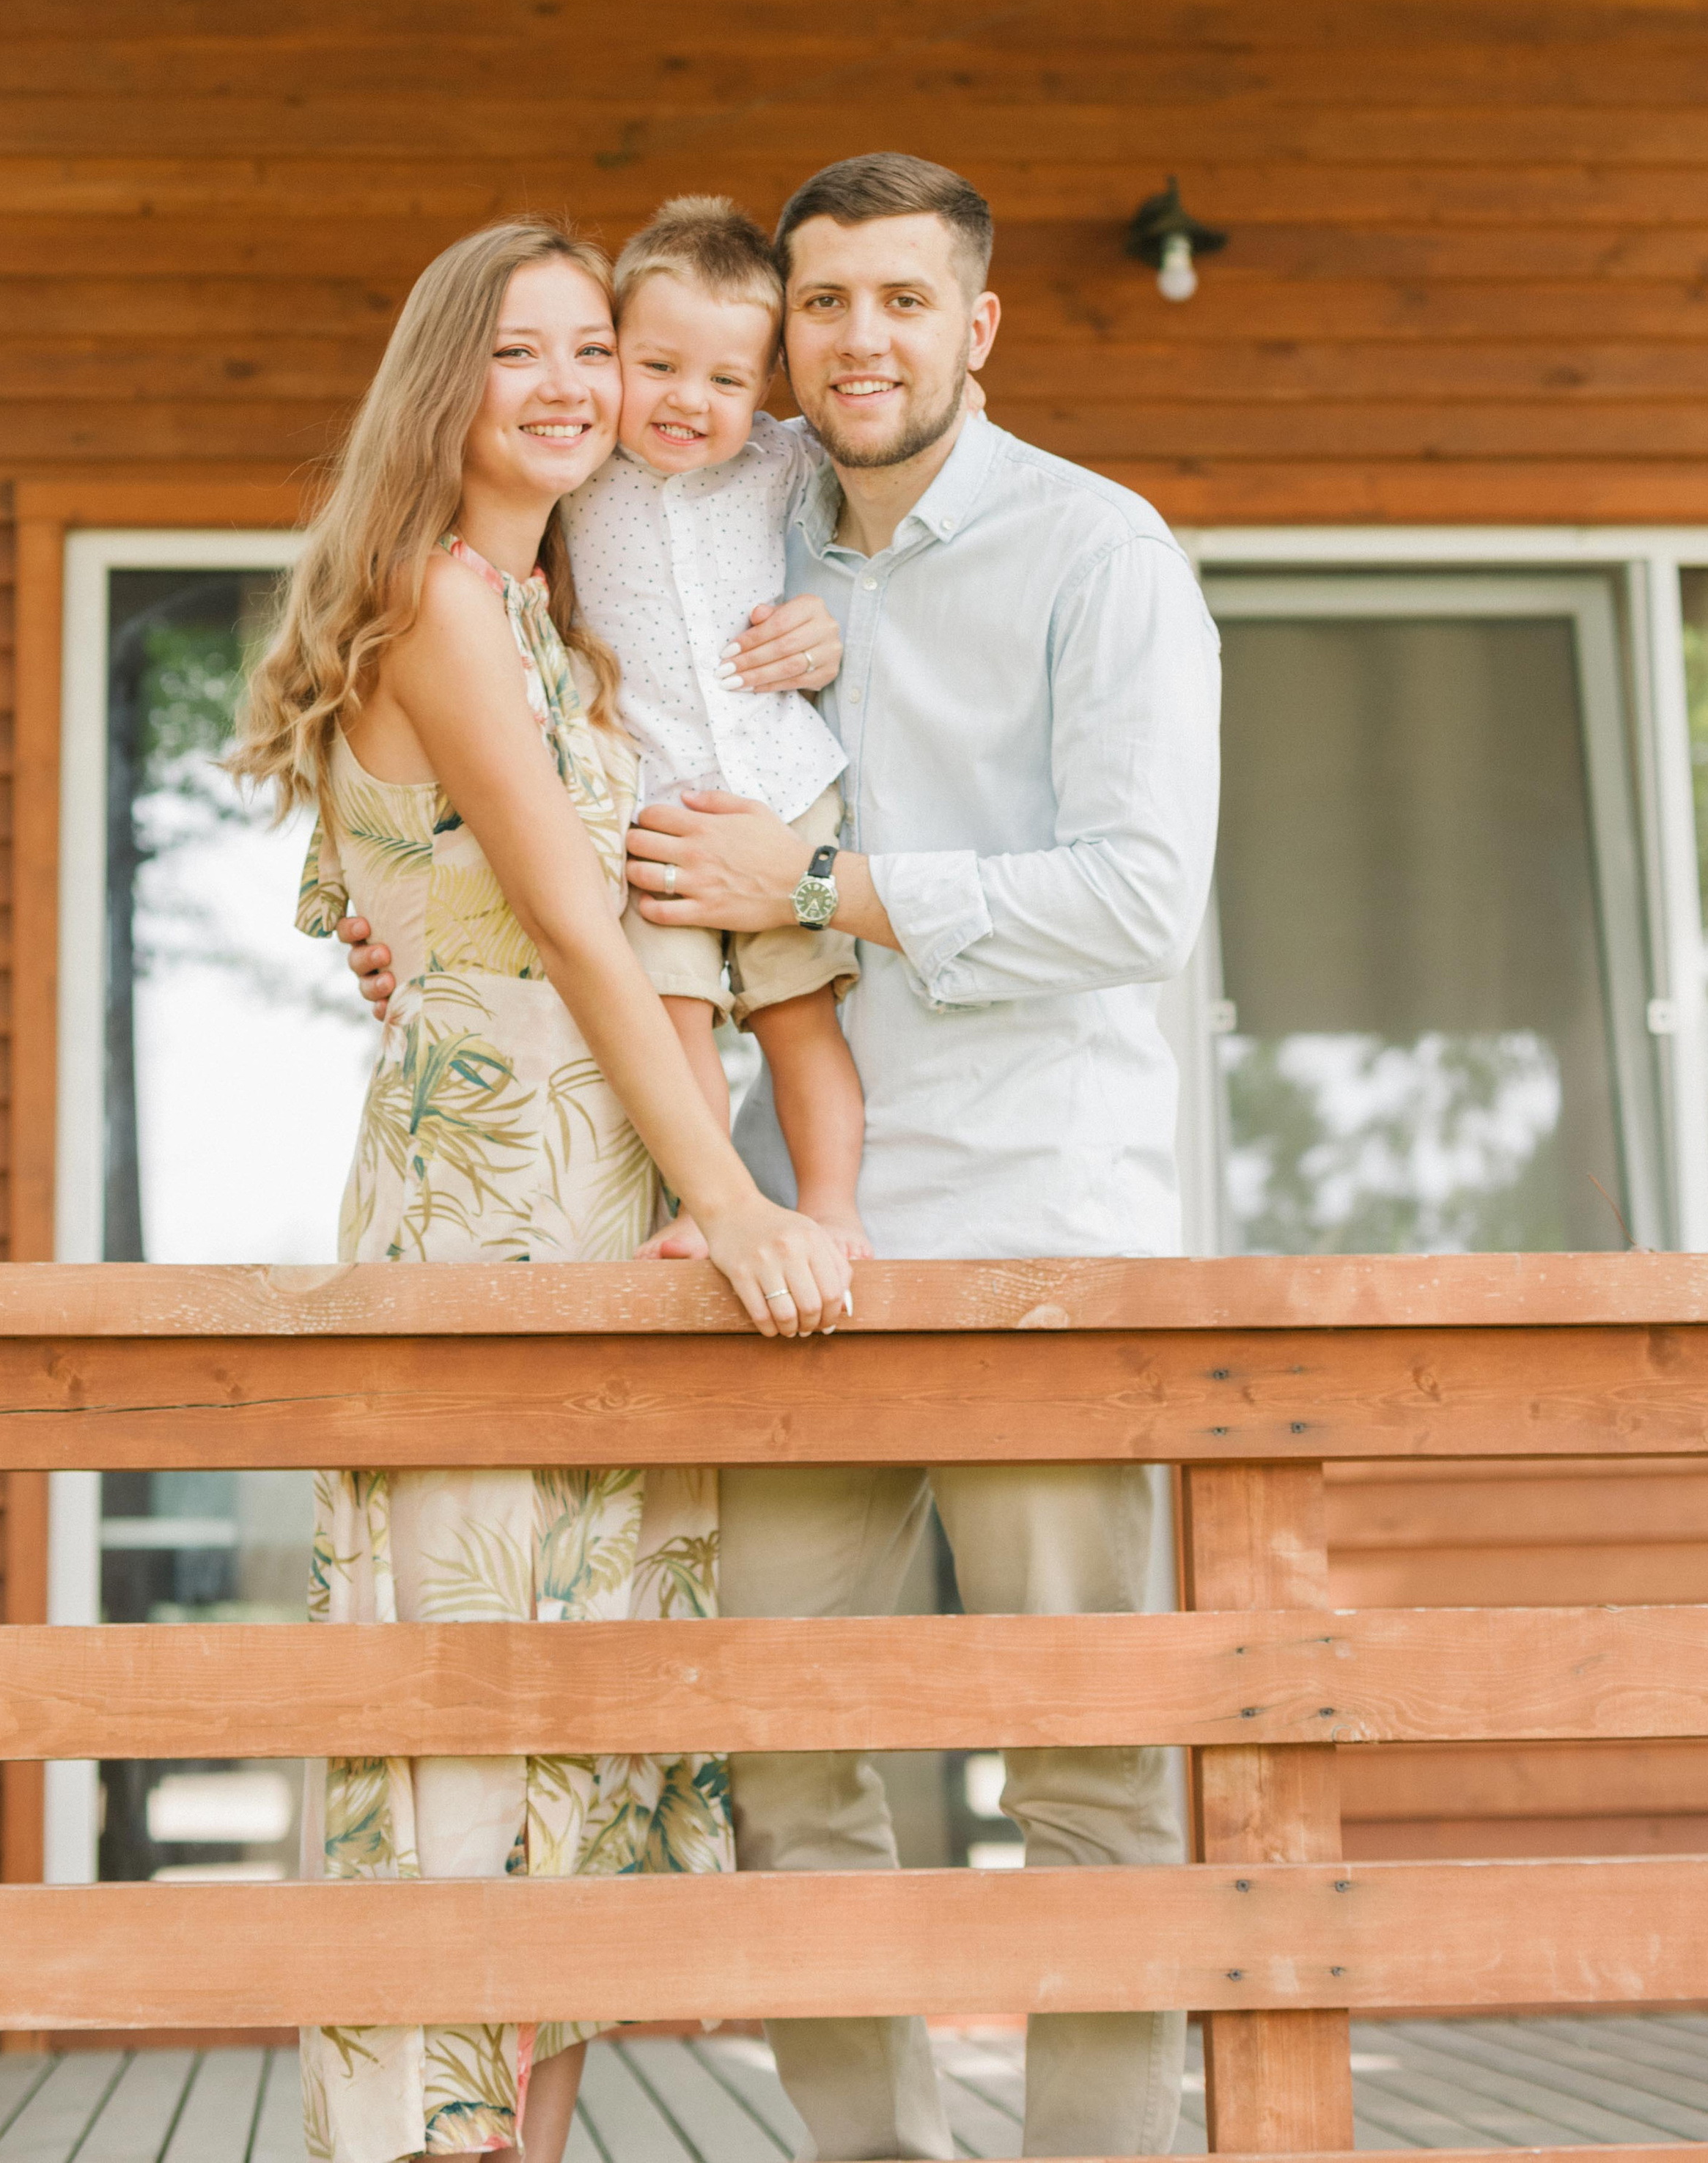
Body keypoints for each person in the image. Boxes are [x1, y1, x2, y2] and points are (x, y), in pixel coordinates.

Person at [342, 157, 1221, 2159]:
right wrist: (384, 912)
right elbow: (514, 774)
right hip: (768, 1261)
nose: (856, 343)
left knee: (1082, 1771)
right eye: (825, 308)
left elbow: (1142, 901)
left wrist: (819, 877)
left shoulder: (1096, 548)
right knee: (792, 1758)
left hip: (1023, 1230)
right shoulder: (724, 510)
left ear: (979, 323)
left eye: (902, 303)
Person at [233, 215, 852, 2163]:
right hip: (502, 1195)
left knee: (590, 1712)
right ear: (449, 381)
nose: (581, 383)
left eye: (602, 347)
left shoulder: (560, 628)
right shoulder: (441, 597)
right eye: (528, 351)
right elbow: (576, 930)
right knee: (474, 1698)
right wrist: (740, 1200)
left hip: (612, 1185)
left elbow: (399, 894)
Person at [563, 194, 865, 1249]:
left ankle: (832, 1210)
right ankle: (708, 1202)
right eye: (660, 367)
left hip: (786, 793)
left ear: (766, 387)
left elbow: (898, 455)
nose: (691, 400)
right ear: (614, 355)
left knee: (801, 1013)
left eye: (728, 380)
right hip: (655, 807)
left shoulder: (784, 461)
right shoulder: (574, 477)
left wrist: (827, 626)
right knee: (670, 1011)